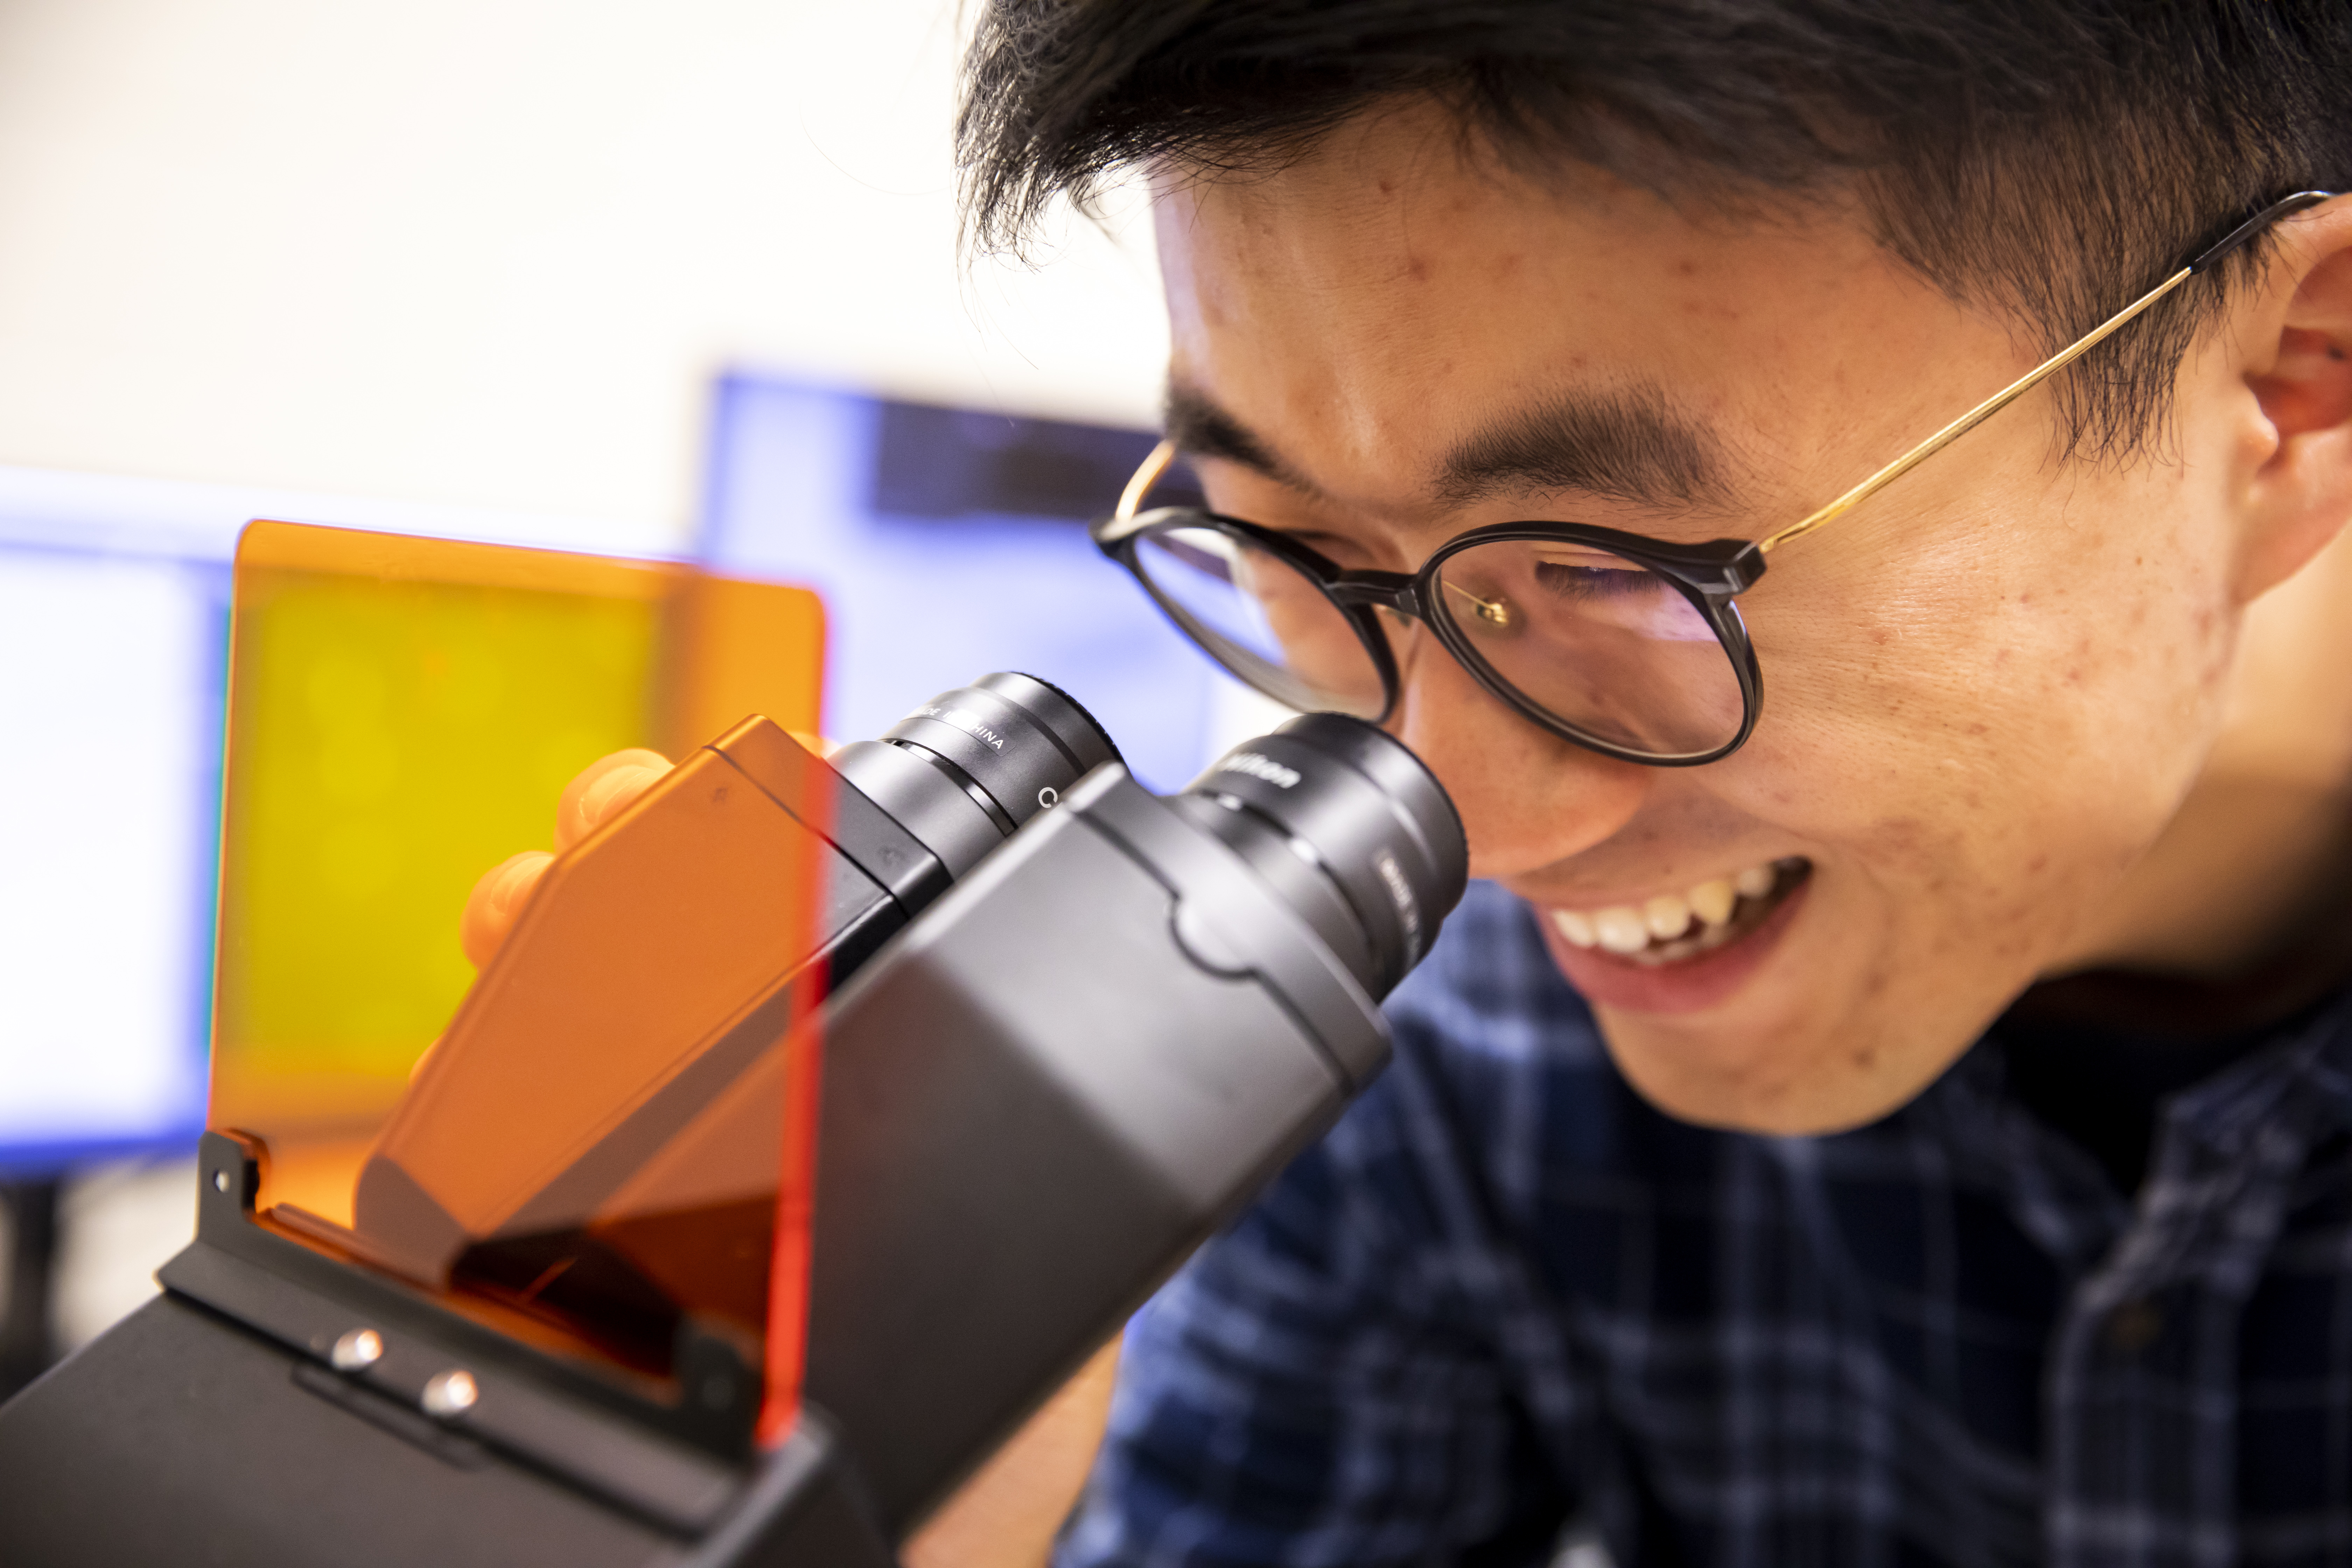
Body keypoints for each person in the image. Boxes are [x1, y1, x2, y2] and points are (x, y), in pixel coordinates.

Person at [475, 4, 2352, 1562]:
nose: (1482, 831)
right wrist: (904, 1484)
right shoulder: (1450, 1071)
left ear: (2289, 380)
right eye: (1278, 535)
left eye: (1624, 568)